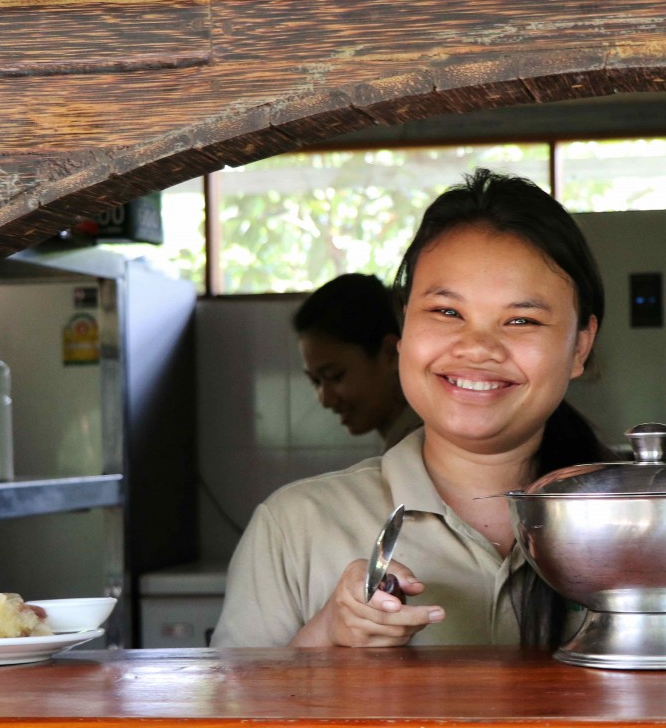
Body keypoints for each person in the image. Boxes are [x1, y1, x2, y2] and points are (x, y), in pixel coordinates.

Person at [212, 168, 613, 649]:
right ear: (403, 329)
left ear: (579, 347)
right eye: (447, 312)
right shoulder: (294, 526)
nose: (478, 347)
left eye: (521, 319)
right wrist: (324, 640)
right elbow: (230, 715)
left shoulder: (650, 524)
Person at [293, 273, 421, 450]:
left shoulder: (421, 450)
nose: (326, 400)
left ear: (390, 354)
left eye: (335, 376)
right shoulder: (404, 447)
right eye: (316, 382)